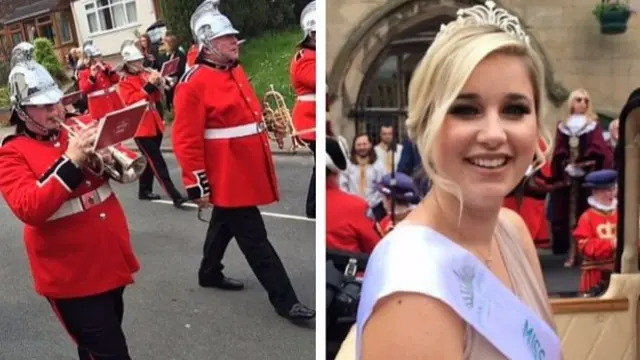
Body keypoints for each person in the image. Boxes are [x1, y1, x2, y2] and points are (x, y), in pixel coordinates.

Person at [356, 2, 562, 359]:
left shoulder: (512, 231)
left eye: (515, 109)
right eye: (466, 109)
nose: (494, 134)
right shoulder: (411, 295)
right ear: (425, 123)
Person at [171, 0, 315, 322]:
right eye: (226, 38)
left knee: (224, 224)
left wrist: (266, 122)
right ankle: (285, 300)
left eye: (233, 35)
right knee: (255, 239)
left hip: (244, 167)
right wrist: (197, 183)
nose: (235, 40)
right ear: (208, 45)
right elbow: (186, 139)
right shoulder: (192, 83)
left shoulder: (233, 70)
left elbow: (242, 116)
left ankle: (209, 272)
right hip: (226, 174)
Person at [0, 43, 140, 360]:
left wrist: (108, 155)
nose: (55, 110)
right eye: (44, 106)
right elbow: (29, 207)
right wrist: (72, 161)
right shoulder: (12, 153)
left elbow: (124, 162)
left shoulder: (76, 127)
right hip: (71, 277)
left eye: (57, 102)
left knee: (95, 350)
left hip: (109, 259)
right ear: (21, 110)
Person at [547, 88, 613, 267]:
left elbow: (600, 150)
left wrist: (586, 165)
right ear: (571, 103)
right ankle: (571, 251)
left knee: (586, 214)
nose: (582, 104)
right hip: (568, 179)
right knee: (568, 216)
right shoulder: (563, 125)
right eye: (578, 100)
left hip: (587, 179)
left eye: (585, 100)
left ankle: (586, 251)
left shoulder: (593, 124)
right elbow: (559, 150)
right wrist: (564, 165)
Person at [117, 40, 187, 207]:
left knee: (149, 160)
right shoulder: (124, 82)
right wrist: (149, 86)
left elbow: (154, 98)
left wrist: (160, 84)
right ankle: (174, 195)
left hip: (153, 123)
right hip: (140, 127)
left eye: (141, 61)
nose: (141, 64)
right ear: (128, 63)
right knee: (157, 162)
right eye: (137, 62)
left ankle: (144, 190)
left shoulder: (143, 74)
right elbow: (130, 102)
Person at [326, 135, 382, 254]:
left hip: (374, 205)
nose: (362, 147)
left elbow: (381, 187)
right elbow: (375, 248)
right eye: (359, 144)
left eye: (364, 144)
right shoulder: (357, 207)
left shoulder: (379, 165)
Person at [290, 0, 317, 218]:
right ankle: (313, 207)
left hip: (317, 119)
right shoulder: (304, 59)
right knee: (323, 164)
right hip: (309, 121)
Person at [574, 169, 618, 296]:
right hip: (595, 275)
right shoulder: (586, 217)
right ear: (594, 192)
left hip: (621, 273)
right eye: (605, 190)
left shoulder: (623, 214)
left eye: (612, 189)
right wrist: (611, 244)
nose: (610, 194)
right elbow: (585, 246)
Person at [77, 40, 122, 120]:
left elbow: (116, 79)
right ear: (91, 59)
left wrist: (106, 71)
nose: (100, 58)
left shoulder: (106, 67)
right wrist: (92, 77)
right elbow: (83, 90)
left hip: (113, 102)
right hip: (98, 106)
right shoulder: (84, 73)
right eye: (97, 57)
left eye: (99, 56)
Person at [373, 172, 418, 237]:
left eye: (382, 196)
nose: (382, 200)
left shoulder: (386, 224)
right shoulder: (421, 216)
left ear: (389, 199)